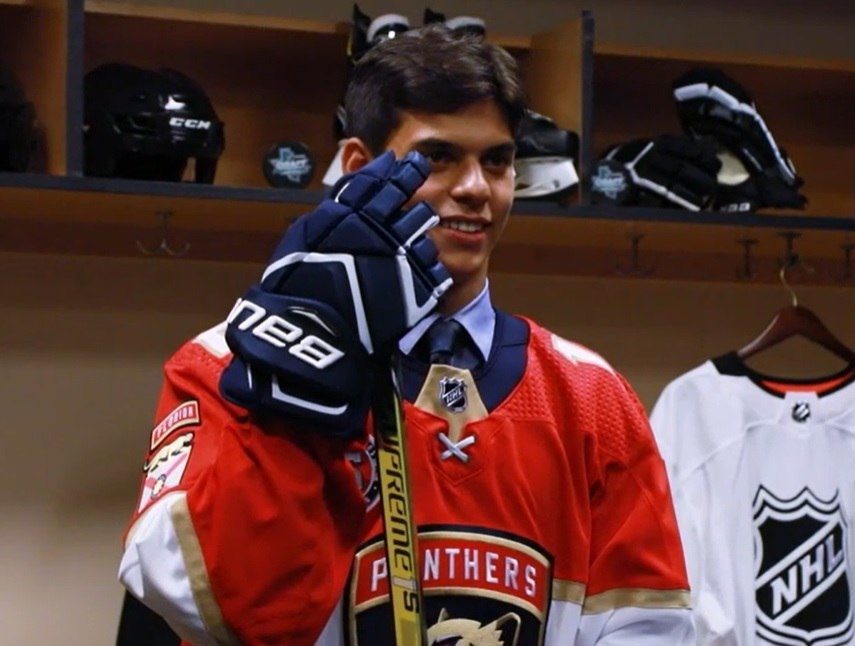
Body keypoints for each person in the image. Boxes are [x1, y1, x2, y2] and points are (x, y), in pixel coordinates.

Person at [115, 22, 695, 646]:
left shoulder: (592, 396)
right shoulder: (229, 360)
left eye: (497, 160)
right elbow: (209, 607)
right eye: (439, 156)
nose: (475, 188)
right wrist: (294, 403)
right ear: (359, 166)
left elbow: (651, 630)